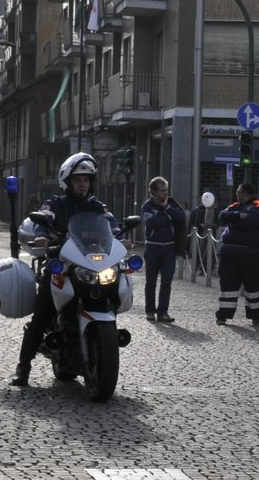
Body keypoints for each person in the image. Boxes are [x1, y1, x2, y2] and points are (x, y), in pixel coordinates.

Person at [10, 154, 117, 387]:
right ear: (68, 181)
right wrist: (41, 235)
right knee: (42, 314)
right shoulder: (56, 203)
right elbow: (44, 217)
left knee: (113, 287)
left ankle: (100, 340)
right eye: (78, 180)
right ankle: (23, 367)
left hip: (90, 265)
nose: (83, 184)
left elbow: (111, 222)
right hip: (62, 264)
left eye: (86, 180)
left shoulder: (96, 205)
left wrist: (120, 234)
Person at [215, 181, 259, 326]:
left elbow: (255, 220)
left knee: (252, 286)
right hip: (230, 253)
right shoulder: (235, 206)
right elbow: (222, 216)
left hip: (252, 254)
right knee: (227, 285)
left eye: (239, 192)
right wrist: (239, 215)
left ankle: (256, 317)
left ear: (247, 193)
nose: (236, 194)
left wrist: (234, 222)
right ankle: (223, 315)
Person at [140, 176, 185, 324]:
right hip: (153, 248)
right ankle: (150, 311)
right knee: (151, 281)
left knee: (167, 281)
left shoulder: (171, 204)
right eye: (162, 190)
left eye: (166, 190)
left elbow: (181, 217)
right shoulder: (147, 206)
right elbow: (151, 223)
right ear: (153, 191)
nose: (166, 193)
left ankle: (163, 312)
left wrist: (168, 209)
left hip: (169, 249)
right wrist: (167, 218)